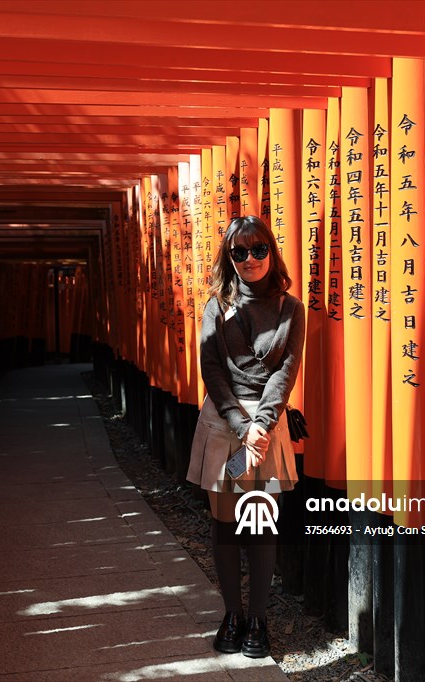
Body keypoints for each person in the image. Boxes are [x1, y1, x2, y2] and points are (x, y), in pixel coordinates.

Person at [186, 215, 305, 658]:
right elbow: (212, 371)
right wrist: (241, 425)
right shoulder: (217, 304)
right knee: (224, 524)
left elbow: (285, 372)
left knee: (260, 523)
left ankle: (258, 619)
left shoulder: (290, 308)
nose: (250, 259)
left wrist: (262, 426)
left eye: (258, 250)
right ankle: (231, 613)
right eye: (239, 252)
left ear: (271, 253)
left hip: (267, 428)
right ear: (228, 257)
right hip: (223, 422)